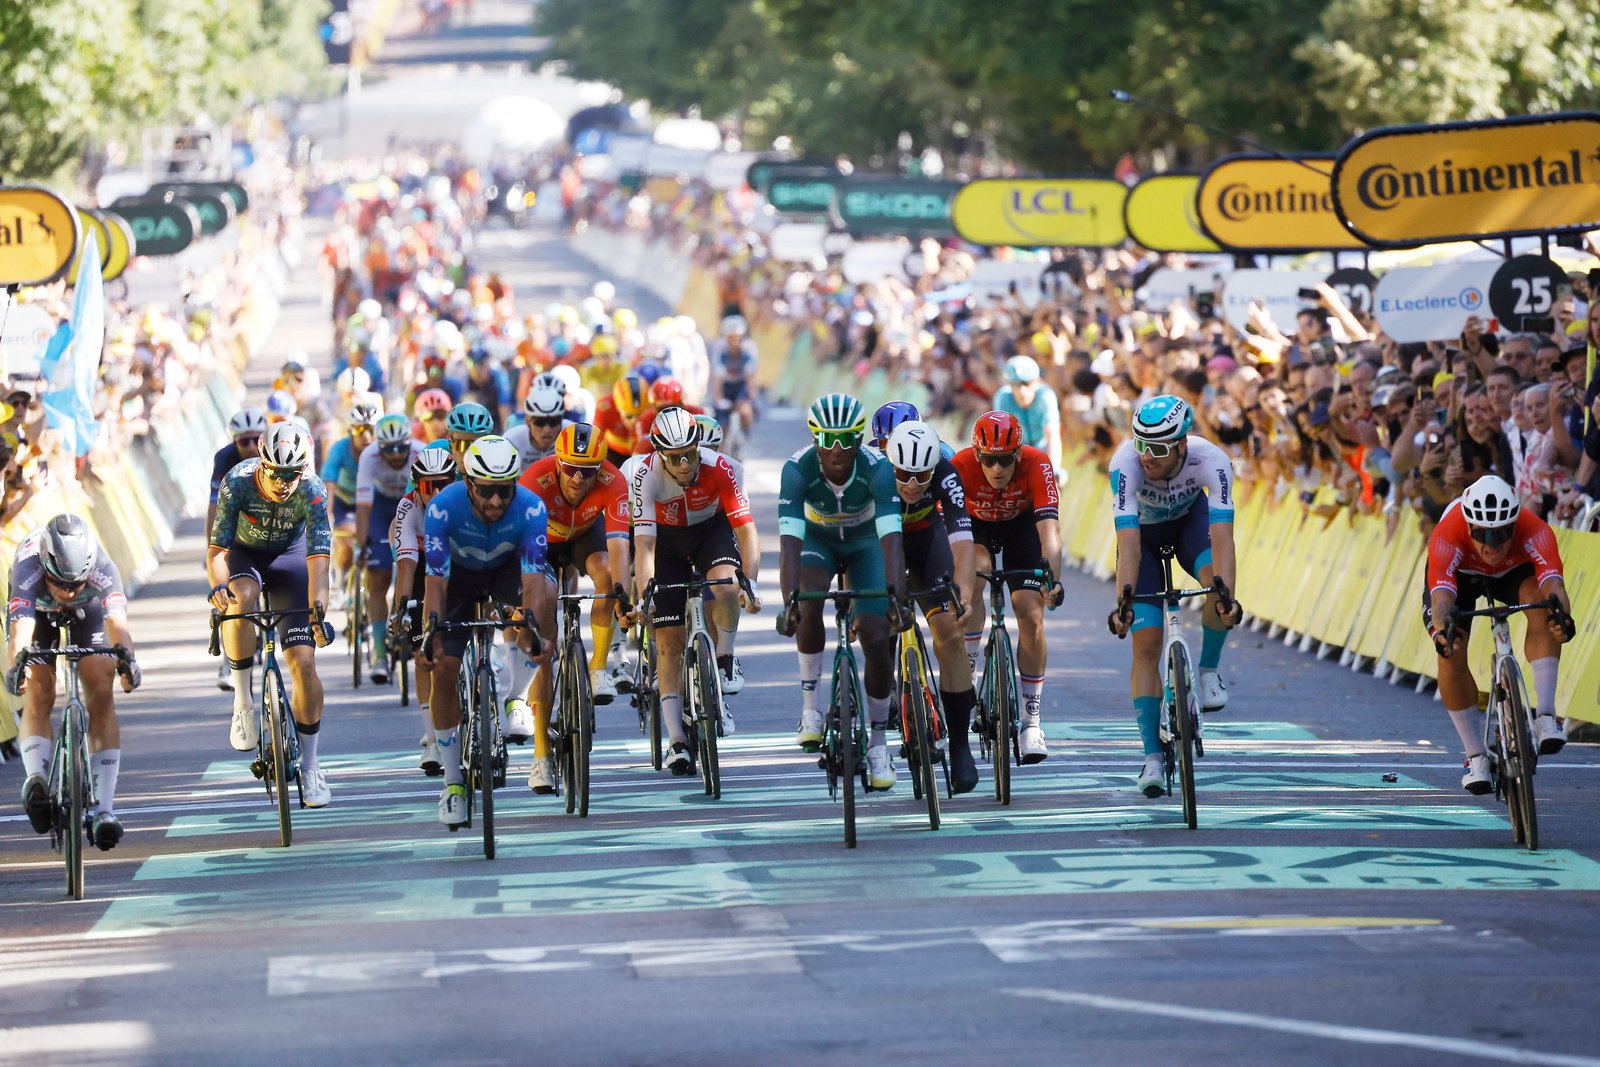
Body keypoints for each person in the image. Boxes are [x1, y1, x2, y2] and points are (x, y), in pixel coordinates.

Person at [1106, 395, 1241, 798]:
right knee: (1146, 642)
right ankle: (1150, 755)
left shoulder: (1211, 460)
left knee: (1218, 588)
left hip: (1189, 526)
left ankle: (1208, 669)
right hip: (1144, 541)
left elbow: (1223, 537)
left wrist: (1228, 595)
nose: (1147, 456)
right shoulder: (1124, 465)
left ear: (1183, 443)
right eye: (1141, 444)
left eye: (1159, 448)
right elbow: (1127, 543)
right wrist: (1123, 602)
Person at [418, 436, 553, 827]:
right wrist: (433, 636)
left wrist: (530, 631)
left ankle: (516, 699)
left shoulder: (531, 509)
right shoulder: (443, 508)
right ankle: (453, 782)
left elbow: (531, 583)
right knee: (442, 667)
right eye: (486, 492)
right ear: (469, 484)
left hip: (505, 572)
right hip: (456, 579)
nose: (495, 502)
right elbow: (436, 584)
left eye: (504, 491)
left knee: (539, 609)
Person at [776, 393, 905, 790]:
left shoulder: (879, 470)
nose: (837, 450)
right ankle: (810, 709)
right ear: (815, 439)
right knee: (809, 602)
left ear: (858, 438)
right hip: (819, 541)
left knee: (875, 635)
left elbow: (892, 541)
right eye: (827, 440)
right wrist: (789, 603)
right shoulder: (796, 471)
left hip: (866, 543)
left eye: (846, 439)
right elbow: (789, 545)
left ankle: (879, 744)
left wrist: (897, 600)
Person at [207, 422, 337, 808]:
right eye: (276, 473)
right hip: (245, 554)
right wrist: (218, 586)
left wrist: (318, 613)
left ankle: (311, 766)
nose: (283, 483)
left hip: (291, 558)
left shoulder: (313, 491)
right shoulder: (238, 482)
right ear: (261, 462)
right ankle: (243, 701)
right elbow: (216, 553)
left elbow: (319, 566)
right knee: (241, 594)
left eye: (291, 475)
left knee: (303, 665)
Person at [628, 407, 761, 773]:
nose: (685, 463)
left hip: (710, 532)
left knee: (727, 586)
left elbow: (747, 531)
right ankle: (675, 741)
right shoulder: (644, 475)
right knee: (668, 641)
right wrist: (645, 595)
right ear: (659, 454)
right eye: (675, 457)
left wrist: (750, 581)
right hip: (666, 542)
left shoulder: (723, 468)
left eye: (690, 453)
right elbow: (645, 547)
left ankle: (725, 658)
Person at [1426, 475, 1572, 793]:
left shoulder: (1535, 529)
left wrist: (1562, 615)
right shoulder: (1447, 533)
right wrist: (1443, 632)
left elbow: (1553, 584)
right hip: (1462, 578)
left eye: (1503, 533)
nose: (1492, 546)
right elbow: (1441, 599)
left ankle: (1546, 716)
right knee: (1450, 651)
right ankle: (1475, 755)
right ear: (1468, 527)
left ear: (1515, 524)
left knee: (1546, 609)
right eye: (1482, 535)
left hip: (1513, 573)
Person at [7, 515, 142, 851]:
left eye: (75, 584)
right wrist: (17, 667)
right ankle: (37, 779)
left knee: (101, 689)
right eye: (60, 584)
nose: (67, 593)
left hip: (90, 612)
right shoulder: (28, 569)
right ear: (46, 567)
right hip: (37, 615)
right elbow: (20, 633)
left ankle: (105, 811)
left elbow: (118, 627)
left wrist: (128, 662)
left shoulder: (103, 567)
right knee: (38, 690)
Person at [520, 423, 632, 792]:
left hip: (586, 535)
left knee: (607, 574)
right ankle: (540, 756)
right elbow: (524, 550)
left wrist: (622, 593)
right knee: (546, 614)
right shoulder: (535, 480)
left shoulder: (613, 481)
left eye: (588, 472)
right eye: (570, 469)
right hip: (543, 544)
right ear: (558, 463)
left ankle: (598, 666)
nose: (578, 479)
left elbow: (619, 545)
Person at [952, 410, 1064, 765]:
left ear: (1017, 454)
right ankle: (967, 670)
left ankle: (1032, 721)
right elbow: (951, 537)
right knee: (977, 575)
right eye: (988, 460)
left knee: (1031, 614)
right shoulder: (960, 464)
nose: (996, 469)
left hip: (1022, 528)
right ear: (977, 455)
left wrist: (1053, 581)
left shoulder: (1037, 462)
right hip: (976, 528)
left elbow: (1049, 532)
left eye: (1003, 460)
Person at [882, 420, 981, 793]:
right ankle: (878, 737)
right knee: (879, 622)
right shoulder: (874, 472)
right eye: (903, 474)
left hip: (928, 541)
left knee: (949, 632)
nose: (911, 483)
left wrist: (965, 594)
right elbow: (855, 541)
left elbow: (962, 541)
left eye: (920, 476)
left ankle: (960, 745)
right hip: (883, 541)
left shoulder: (946, 471)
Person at [391, 448, 459, 775]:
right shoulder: (408, 507)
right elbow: (406, 568)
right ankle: (432, 740)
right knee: (423, 647)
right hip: (420, 567)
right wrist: (401, 610)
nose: (434, 494)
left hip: (458, 562)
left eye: (442, 485)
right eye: (427, 486)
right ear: (416, 486)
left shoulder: (464, 500)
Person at [355, 415, 425, 682]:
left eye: (401, 448)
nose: (396, 455)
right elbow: (363, 507)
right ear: (379, 447)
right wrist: (363, 545)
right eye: (389, 449)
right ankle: (380, 654)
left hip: (414, 502)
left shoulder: (420, 451)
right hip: (382, 507)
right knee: (379, 576)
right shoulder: (369, 456)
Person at [208, 406, 266, 688]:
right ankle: (227, 661)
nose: (253, 446)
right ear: (234, 442)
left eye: (257, 439)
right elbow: (213, 506)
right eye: (245, 441)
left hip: (267, 529)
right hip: (236, 525)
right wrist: (212, 548)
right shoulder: (225, 459)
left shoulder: (272, 456)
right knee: (229, 595)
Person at [320, 399, 382, 611]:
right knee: (347, 544)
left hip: (373, 503)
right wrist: (326, 514)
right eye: (360, 430)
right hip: (345, 502)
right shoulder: (339, 449)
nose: (366, 436)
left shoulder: (381, 450)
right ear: (350, 431)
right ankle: (341, 580)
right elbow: (329, 482)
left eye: (371, 430)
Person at [994, 355, 1062, 468]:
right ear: (1010, 385)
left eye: (1027, 384)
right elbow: (1001, 439)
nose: (1022, 391)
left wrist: (1053, 470)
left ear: (1037, 382)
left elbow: (1053, 434)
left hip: (1043, 447)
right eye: (1017, 385)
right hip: (1017, 450)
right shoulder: (1003, 397)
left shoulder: (1046, 395)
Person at [709, 315, 758, 450]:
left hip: (741, 385)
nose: (735, 342)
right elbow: (717, 376)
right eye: (731, 338)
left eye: (738, 338)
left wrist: (752, 399)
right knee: (721, 425)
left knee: (745, 411)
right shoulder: (719, 348)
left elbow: (750, 376)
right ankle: (723, 447)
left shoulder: (750, 348)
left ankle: (744, 434)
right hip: (725, 386)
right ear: (725, 338)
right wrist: (718, 399)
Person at [505, 384, 567, 469]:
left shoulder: (571, 434)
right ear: (527, 422)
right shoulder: (512, 441)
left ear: (561, 421)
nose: (547, 430)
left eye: (554, 422)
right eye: (539, 422)